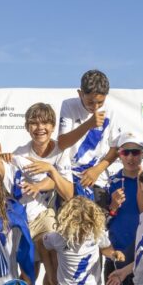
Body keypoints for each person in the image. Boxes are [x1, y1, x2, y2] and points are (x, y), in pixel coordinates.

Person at [11, 102, 75, 285]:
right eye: (34, 123)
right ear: (27, 127)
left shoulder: (61, 152)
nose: (40, 127)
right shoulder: (20, 154)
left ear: (53, 125)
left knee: (55, 272)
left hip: (47, 218)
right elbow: (15, 184)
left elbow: (68, 193)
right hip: (23, 220)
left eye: (45, 122)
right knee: (28, 275)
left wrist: (50, 170)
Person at [105, 131, 143, 285]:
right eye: (125, 152)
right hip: (117, 255)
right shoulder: (110, 182)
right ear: (119, 155)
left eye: (135, 152)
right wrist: (111, 207)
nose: (131, 157)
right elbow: (98, 225)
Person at [57, 69, 120, 205]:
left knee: (97, 223)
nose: (96, 107)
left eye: (100, 102)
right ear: (80, 94)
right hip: (69, 177)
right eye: (90, 102)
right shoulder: (68, 105)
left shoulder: (111, 110)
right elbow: (62, 143)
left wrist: (97, 170)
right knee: (69, 224)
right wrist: (88, 124)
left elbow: (116, 148)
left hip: (97, 179)